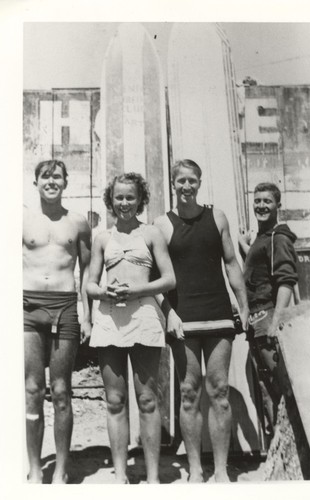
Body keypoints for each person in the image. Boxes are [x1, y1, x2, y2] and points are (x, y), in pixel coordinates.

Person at [154, 159, 249, 483]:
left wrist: (244, 307)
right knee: (189, 391)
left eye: (192, 180)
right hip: (184, 318)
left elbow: (232, 264)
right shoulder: (162, 224)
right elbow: (155, 277)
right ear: (173, 183)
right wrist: (169, 313)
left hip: (219, 313)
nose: (186, 186)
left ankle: (221, 470)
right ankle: (195, 469)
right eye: (180, 181)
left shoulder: (217, 217)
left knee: (219, 389)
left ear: (199, 182)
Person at [87, 172, 175, 484]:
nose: (124, 203)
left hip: (144, 317)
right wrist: (103, 292)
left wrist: (138, 291)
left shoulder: (151, 234)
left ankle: (152, 479)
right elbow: (89, 283)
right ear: (110, 200)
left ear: (140, 200)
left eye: (130, 197)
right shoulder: (102, 239)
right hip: (111, 318)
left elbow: (169, 279)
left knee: (148, 399)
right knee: (114, 400)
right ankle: (121, 476)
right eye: (119, 197)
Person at [23, 159, 92, 483]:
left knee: (63, 390)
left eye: (57, 177)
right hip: (27, 309)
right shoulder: (21, 220)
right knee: (33, 389)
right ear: (36, 181)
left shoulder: (77, 223)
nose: (51, 181)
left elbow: (88, 271)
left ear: (66, 182)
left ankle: (61, 470)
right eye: (45, 176)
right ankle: (36, 469)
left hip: (65, 308)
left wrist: (86, 314)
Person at [238, 182, 298, 431]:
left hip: (268, 319)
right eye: (257, 200)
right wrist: (245, 247)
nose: (261, 205)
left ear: (278, 206)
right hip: (256, 321)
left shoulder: (278, 238)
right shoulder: (263, 239)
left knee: (281, 389)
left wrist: (276, 323)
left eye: (267, 201)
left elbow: (286, 281)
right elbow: (260, 271)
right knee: (268, 390)